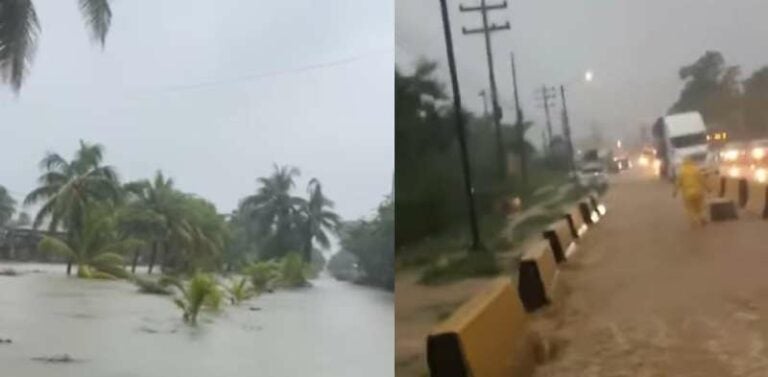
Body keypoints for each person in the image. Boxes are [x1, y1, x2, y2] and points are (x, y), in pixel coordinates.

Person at [673, 157, 708, 226]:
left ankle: (695, 221)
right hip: (699, 192)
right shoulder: (696, 170)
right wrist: (708, 189)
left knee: (690, 208)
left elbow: (678, 183)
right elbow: (702, 180)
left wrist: (675, 192)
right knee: (700, 207)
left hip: (687, 193)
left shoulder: (682, 172)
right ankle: (702, 218)